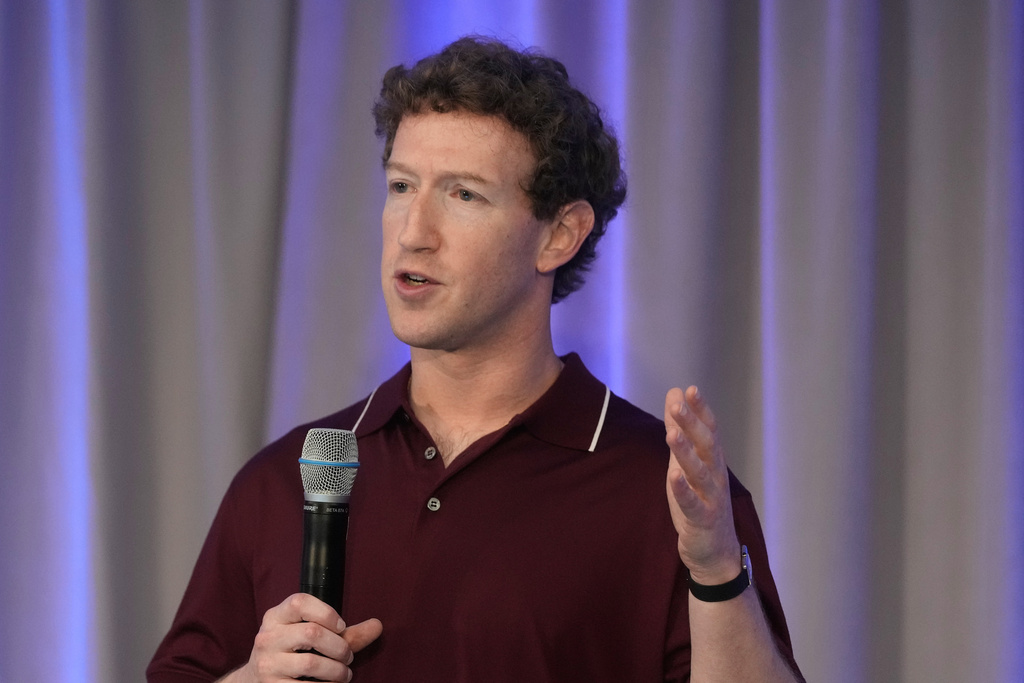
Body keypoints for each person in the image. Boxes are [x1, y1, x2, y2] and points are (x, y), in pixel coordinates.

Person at [148, 36, 804, 683]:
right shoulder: (287, 477)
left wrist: (716, 571)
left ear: (559, 235)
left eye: (463, 194)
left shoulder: (668, 492)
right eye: (401, 186)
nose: (413, 232)